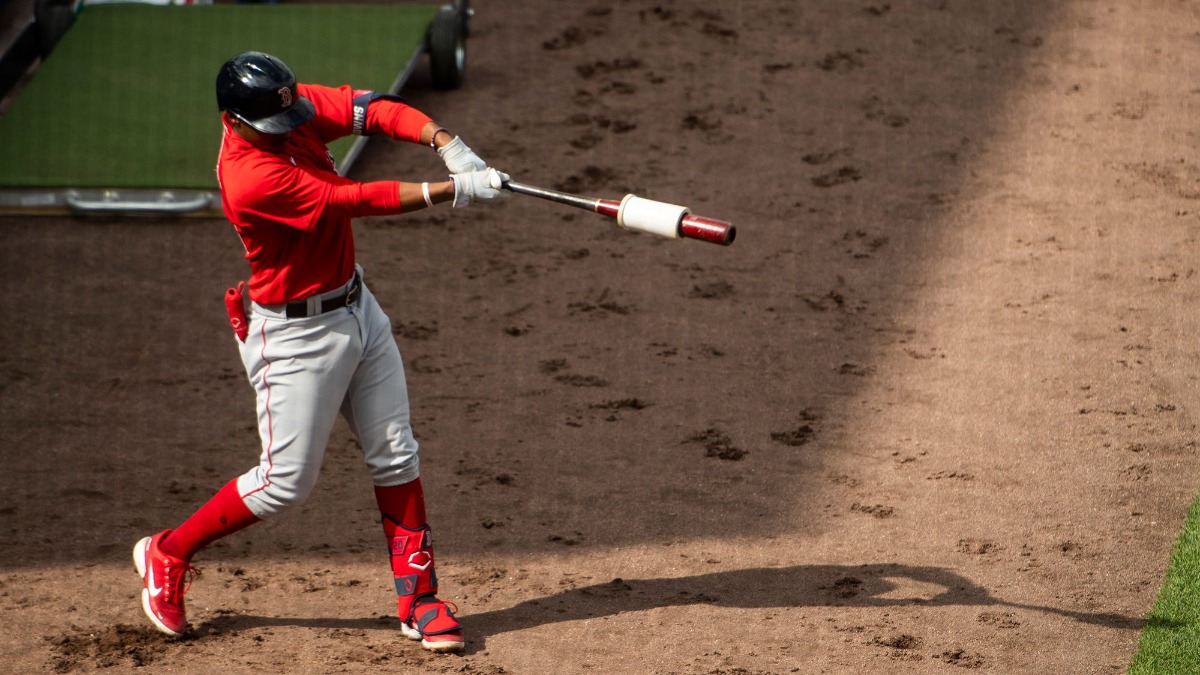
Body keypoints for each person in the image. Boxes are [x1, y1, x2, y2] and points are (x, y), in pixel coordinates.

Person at [132, 50, 508, 653]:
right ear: (234, 120)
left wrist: (446, 142)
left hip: (358, 307)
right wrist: (452, 191)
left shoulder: (285, 104)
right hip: (294, 338)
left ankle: (420, 599)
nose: (294, 125)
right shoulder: (251, 177)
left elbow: (375, 110)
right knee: (284, 484)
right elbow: (350, 200)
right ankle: (167, 551)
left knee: (395, 451)